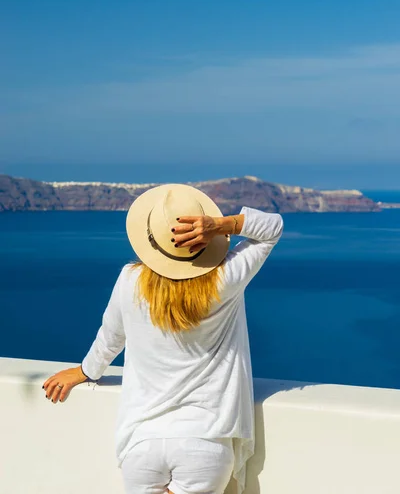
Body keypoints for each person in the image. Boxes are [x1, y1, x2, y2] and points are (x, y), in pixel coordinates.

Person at [43, 183, 284, 494]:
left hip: (142, 444)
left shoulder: (130, 280)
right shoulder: (228, 277)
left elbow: (111, 337)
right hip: (206, 445)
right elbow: (273, 227)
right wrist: (222, 225)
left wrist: (85, 372)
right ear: (203, 235)